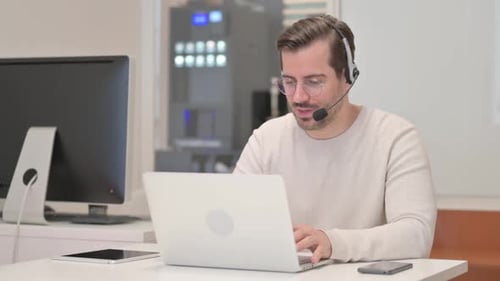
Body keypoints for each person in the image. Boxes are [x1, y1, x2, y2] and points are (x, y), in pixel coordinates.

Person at [233, 14, 436, 263]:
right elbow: (233, 221)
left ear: (347, 78)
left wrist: (332, 243)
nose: (297, 97)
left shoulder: (395, 137)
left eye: (313, 82)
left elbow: (416, 235)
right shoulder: (267, 139)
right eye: (289, 82)